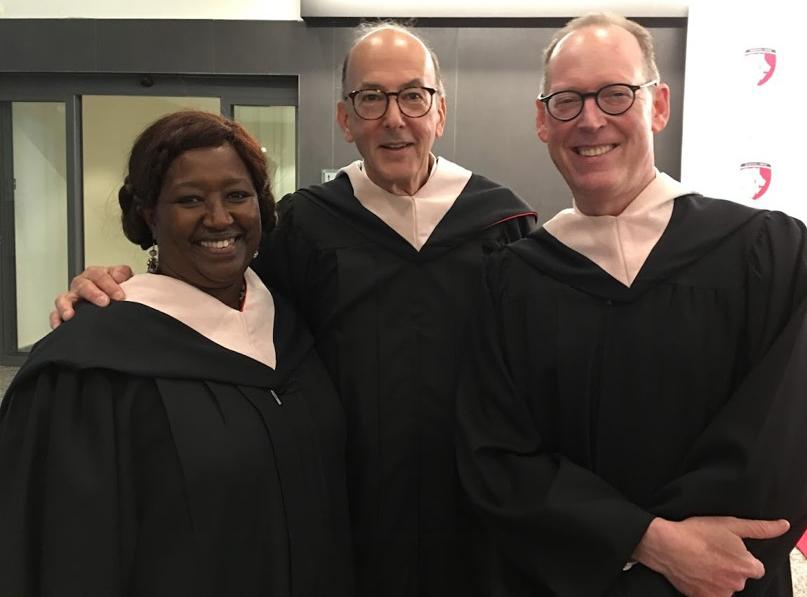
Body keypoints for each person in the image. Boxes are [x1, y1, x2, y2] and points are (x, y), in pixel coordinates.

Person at [50, 24, 536, 597]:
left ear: (439, 110)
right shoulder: (306, 225)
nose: (394, 118)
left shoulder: (503, 223)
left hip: (476, 513)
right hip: (343, 510)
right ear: (345, 118)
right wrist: (112, 282)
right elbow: (224, 302)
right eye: (370, 98)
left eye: (413, 95)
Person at [456, 13, 807, 596]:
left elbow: (786, 438)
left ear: (658, 105)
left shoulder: (771, 254)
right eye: (566, 101)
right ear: (543, 122)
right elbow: (497, 459)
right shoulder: (511, 282)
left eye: (616, 94)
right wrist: (648, 542)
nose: (590, 118)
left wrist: (686, 561)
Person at [0, 111, 353, 596]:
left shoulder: (289, 324)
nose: (220, 218)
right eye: (190, 199)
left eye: (237, 195)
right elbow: (69, 554)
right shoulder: (91, 367)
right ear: (150, 214)